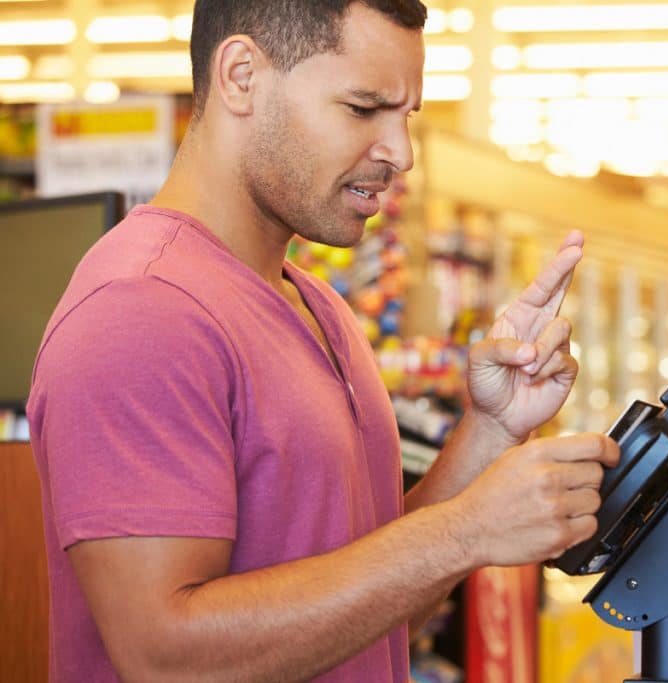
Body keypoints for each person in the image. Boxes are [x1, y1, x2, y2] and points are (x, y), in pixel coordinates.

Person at [26, 1, 619, 681]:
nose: (402, 153)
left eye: (407, 116)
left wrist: (489, 433)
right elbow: (166, 657)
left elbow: (369, 609)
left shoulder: (318, 308)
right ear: (242, 76)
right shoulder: (142, 310)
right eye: (364, 108)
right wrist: (464, 531)